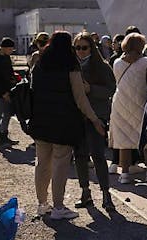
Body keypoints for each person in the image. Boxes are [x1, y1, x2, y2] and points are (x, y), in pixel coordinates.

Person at [29, 31, 106, 220]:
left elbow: (33, 90)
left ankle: (42, 204)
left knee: (42, 164)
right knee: (60, 165)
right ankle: (58, 207)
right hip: (63, 122)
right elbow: (80, 99)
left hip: (41, 120)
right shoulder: (71, 65)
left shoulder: (40, 64)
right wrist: (95, 119)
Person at [72, 32, 116, 211]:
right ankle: (85, 192)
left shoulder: (102, 66)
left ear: (92, 47)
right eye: (78, 48)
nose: (81, 51)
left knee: (98, 155)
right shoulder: (72, 66)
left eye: (84, 47)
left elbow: (111, 89)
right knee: (80, 156)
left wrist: (91, 89)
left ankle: (106, 194)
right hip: (77, 117)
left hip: (97, 116)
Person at [109, 33, 147, 183]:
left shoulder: (117, 63)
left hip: (120, 102)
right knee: (146, 140)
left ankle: (124, 174)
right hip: (141, 102)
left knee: (123, 141)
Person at [0, 37, 19, 149]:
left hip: (8, 90)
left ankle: (5, 136)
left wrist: (14, 81)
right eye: (10, 49)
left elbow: (10, 73)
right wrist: (3, 93)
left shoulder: (6, 58)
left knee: (7, 114)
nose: (11, 51)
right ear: (4, 48)